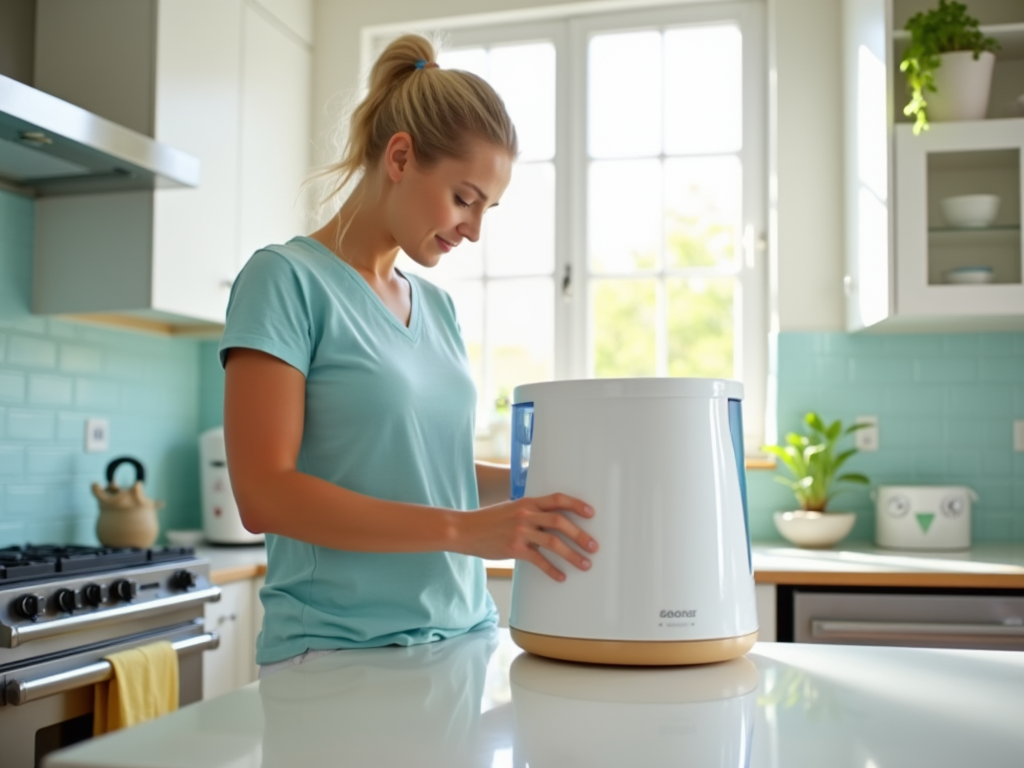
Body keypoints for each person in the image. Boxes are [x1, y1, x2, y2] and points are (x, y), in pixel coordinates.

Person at [220, 34, 598, 676]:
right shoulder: (285, 281)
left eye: (489, 208)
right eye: (464, 197)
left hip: (464, 641)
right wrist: (466, 531)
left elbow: (431, 468)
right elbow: (264, 495)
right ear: (400, 157)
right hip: (338, 655)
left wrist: (543, 491)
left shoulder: (437, 308)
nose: (475, 229)